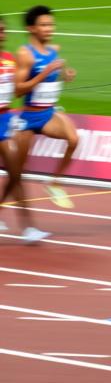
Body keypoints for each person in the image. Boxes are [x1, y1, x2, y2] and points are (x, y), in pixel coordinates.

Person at [12, 6, 77, 211]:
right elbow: (18, 91)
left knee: (74, 139)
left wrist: (64, 76)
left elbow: (51, 78)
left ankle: (55, 184)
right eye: (44, 25)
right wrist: (45, 72)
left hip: (48, 113)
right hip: (28, 118)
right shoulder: (25, 55)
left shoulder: (53, 50)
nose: (49, 28)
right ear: (31, 28)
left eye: (51, 24)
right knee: (18, 172)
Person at [0, 16, 47, 243]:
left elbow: (17, 91)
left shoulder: (8, 59)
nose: (3, 34)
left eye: (4, 30)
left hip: (5, 119)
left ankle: (28, 228)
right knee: (15, 172)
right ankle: (28, 228)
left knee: (15, 172)